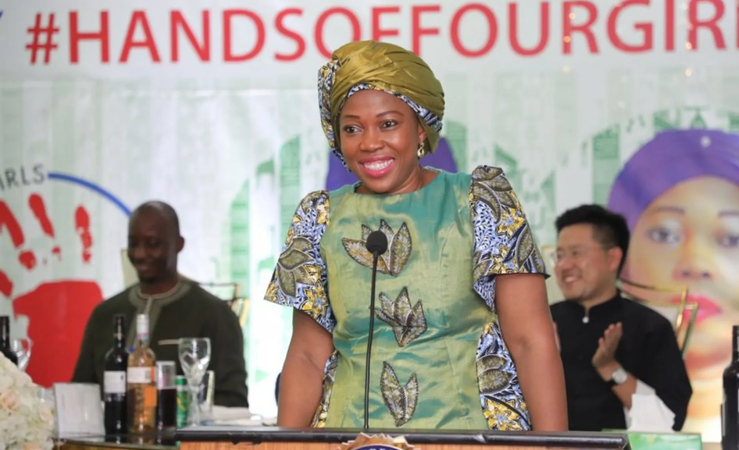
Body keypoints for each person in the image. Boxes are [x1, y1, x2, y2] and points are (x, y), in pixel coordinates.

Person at [265, 40, 566, 430]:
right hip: (348, 435)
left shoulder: (481, 201)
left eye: (388, 124)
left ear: (421, 128)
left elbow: (530, 341)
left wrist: (554, 444)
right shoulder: (319, 217)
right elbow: (307, 355)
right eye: (352, 128)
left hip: (469, 434)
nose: (370, 142)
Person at [606, 129, 739, 436]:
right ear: (622, 261)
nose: (696, 264)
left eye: (733, 238)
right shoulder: (603, 363)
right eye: (665, 234)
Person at [72, 201, 249, 407]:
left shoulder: (214, 314)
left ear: (179, 244)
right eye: (133, 244)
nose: (140, 254)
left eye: (153, 244)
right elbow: (80, 394)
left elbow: (232, 400)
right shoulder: (105, 314)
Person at [550, 204, 692, 432]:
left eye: (576, 253)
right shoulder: (542, 324)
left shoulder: (650, 327)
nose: (564, 265)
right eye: (559, 255)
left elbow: (671, 421)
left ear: (613, 258)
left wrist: (611, 368)